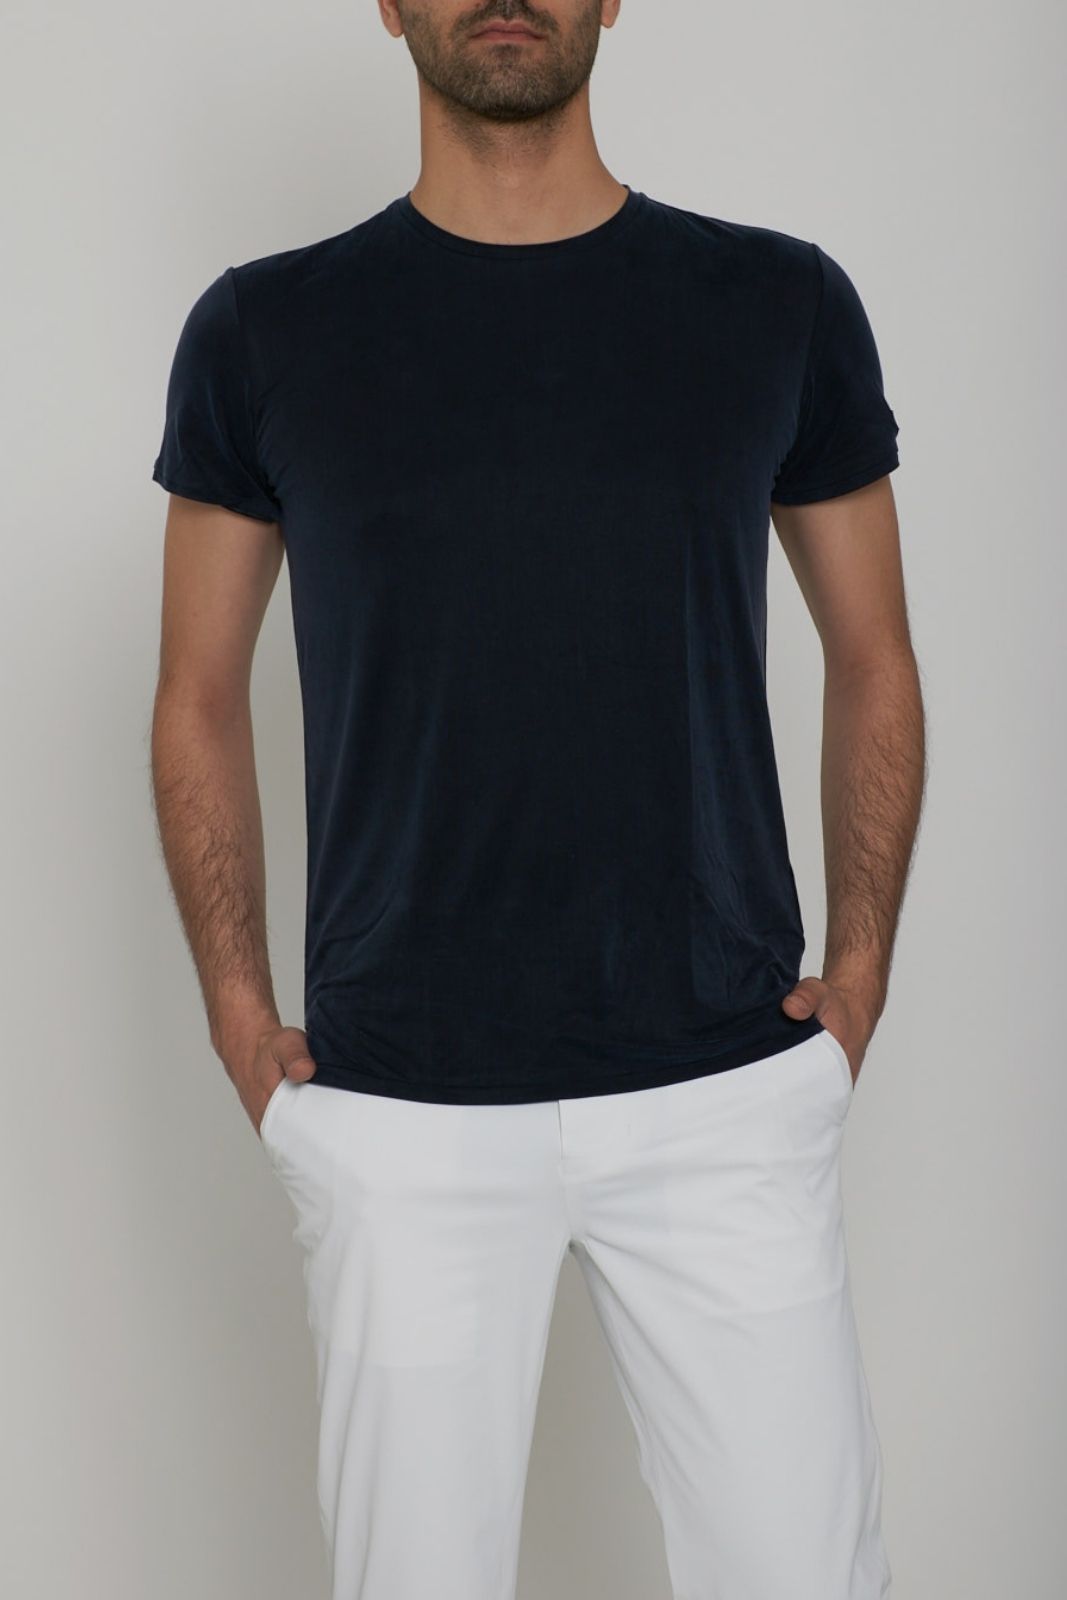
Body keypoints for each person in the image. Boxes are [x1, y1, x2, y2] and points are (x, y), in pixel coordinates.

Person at [149, 3, 924, 1596]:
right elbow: (196, 696)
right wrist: (238, 1014)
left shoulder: (776, 304)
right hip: (400, 1106)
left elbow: (875, 655)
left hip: (726, 1087)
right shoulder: (263, 330)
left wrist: (857, 979)